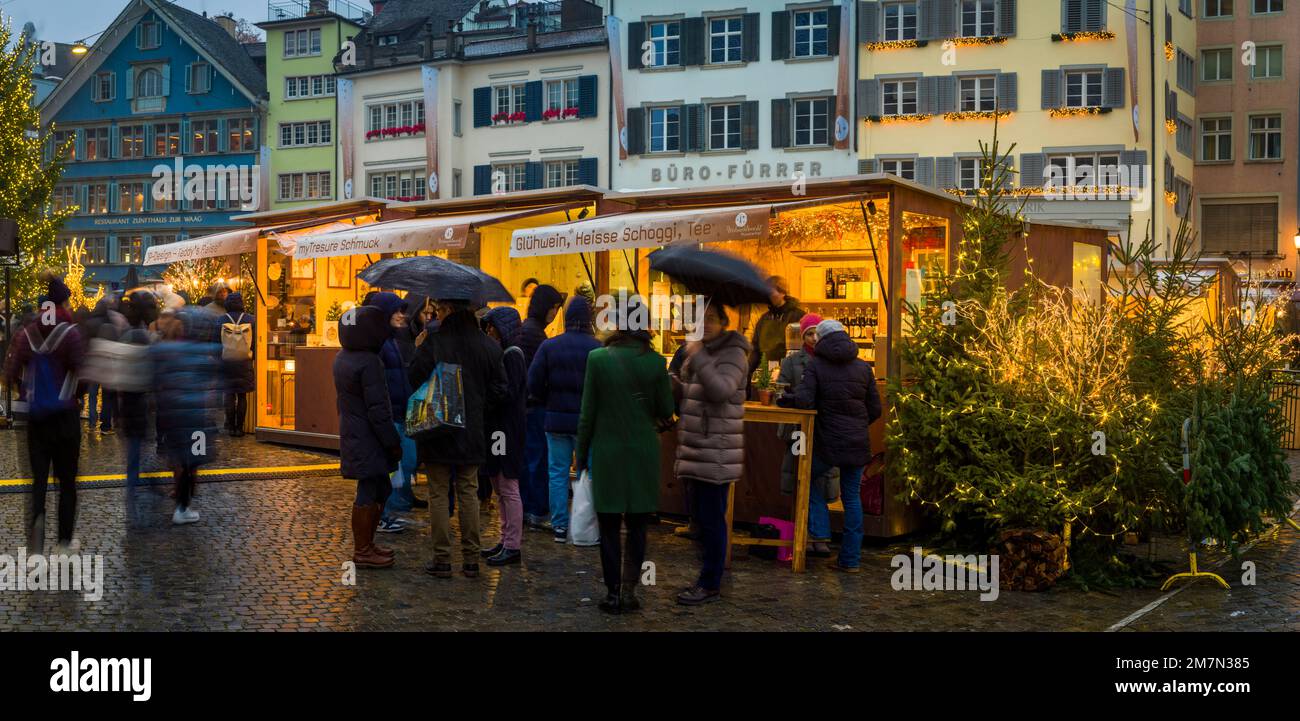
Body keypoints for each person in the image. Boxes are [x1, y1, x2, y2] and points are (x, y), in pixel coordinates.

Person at [576, 296, 675, 613]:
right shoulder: (656, 362)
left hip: (607, 453)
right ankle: (631, 590)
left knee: (608, 526)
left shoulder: (597, 359)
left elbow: (587, 414)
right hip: (643, 453)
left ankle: (612, 592)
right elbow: (666, 410)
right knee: (637, 525)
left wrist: (580, 454)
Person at [407, 299, 508, 579]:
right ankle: (471, 560)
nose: (436, 312)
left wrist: (418, 347)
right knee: (469, 491)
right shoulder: (487, 344)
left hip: (438, 427)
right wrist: (476, 407)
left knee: (438, 492)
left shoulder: (434, 341)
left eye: (440, 308)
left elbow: (414, 378)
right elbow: (501, 389)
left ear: (449, 310)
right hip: (472, 430)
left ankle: (442, 559)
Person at [675, 300, 751, 605]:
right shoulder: (705, 351)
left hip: (716, 449)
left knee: (712, 518)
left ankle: (710, 583)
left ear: (723, 321)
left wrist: (698, 356)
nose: (704, 324)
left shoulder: (733, 353)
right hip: (698, 447)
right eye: (700, 319)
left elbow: (721, 390)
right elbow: (695, 393)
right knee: (701, 519)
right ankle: (708, 577)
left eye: (709, 319)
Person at [791, 319, 882, 572]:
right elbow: (875, 408)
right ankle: (850, 560)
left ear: (820, 339)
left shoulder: (816, 366)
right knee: (852, 498)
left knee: (805, 478)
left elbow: (805, 401)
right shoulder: (863, 367)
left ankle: (819, 532)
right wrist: (858, 425)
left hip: (827, 443)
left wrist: (788, 398)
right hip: (856, 442)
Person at [4, 275, 86, 552]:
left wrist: (25, 389)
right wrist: (78, 396)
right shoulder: (71, 333)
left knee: (38, 482)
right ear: (63, 302)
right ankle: (64, 541)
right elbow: (82, 373)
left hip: (36, 419)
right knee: (67, 482)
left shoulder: (26, 334)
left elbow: (10, 372)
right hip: (66, 417)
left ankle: (37, 535)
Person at [334, 304, 404, 569]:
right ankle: (362, 549)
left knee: (379, 487)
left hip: (356, 433)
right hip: (369, 437)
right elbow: (378, 409)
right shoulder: (369, 362)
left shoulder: (344, 356)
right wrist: (392, 443)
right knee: (369, 489)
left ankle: (367, 544)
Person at [527, 296, 601, 543]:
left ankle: (559, 526)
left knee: (556, 473)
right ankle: (584, 525)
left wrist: (546, 400)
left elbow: (533, 382)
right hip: (586, 424)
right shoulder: (597, 348)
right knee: (587, 473)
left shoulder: (550, 346)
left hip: (556, 421)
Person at [151, 305, 221, 525]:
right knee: (192, 462)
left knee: (179, 459)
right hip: (194, 416)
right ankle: (183, 506)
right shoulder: (199, 352)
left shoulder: (164, 350)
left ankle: (181, 502)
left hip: (170, 415)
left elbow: (155, 381)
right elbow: (211, 383)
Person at [776, 313, 838, 558]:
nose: (813, 338)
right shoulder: (792, 362)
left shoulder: (829, 360)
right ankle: (810, 534)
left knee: (815, 479)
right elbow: (781, 388)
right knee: (802, 478)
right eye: (808, 334)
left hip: (822, 429)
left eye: (816, 333)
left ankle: (814, 534)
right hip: (799, 429)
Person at [360, 292, 417, 533]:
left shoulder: (391, 339)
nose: (401, 315)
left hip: (398, 412)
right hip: (389, 414)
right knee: (387, 470)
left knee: (404, 463)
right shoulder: (379, 343)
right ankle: (381, 516)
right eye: (396, 311)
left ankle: (388, 512)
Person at [479, 306, 527, 566]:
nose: (488, 331)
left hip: (506, 429)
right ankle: (505, 539)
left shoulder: (512, 356)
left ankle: (512, 545)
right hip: (500, 429)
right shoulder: (505, 354)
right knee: (499, 484)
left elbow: (507, 394)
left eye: (491, 326)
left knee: (508, 485)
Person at [516, 284, 565, 530]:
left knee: (527, 458)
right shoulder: (535, 334)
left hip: (524, 406)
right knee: (536, 458)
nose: (555, 313)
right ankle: (536, 510)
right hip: (534, 406)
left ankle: (525, 509)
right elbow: (537, 375)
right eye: (555, 307)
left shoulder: (527, 330)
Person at [118, 290, 158, 526]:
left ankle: (134, 503)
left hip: (129, 404)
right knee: (139, 457)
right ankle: (137, 507)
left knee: (135, 457)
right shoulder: (143, 337)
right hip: (139, 404)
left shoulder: (128, 335)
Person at [747, 275, 804, 376]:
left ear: (782, 292)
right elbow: (756, 350)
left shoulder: (798, 316)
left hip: (789, 375)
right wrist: (747, 373)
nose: (768, 296)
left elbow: (802, 352)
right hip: (766, 373)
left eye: (771, 292)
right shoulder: (764, 319)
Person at [221, 292, 254, 436]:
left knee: (229, 395)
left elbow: (215, 342)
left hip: (226, 362)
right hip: (244, 362)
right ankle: (240, 428)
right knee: (242, 396)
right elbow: (255, 343)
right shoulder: (251, 319)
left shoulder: (221, 320)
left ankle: (230, 427)